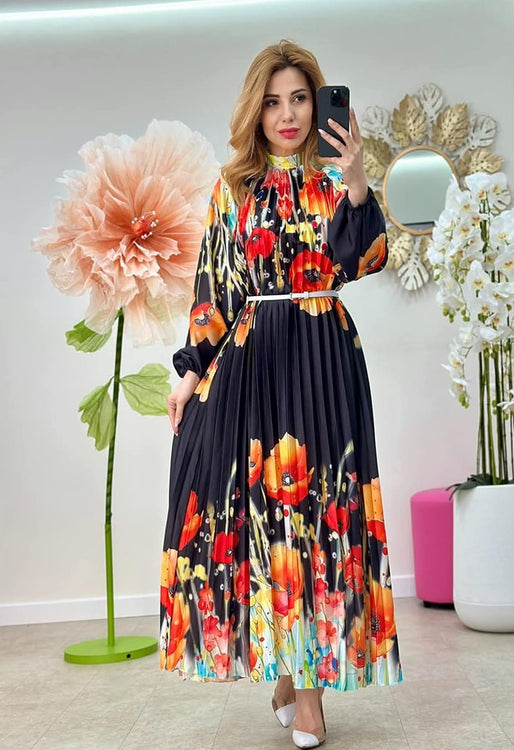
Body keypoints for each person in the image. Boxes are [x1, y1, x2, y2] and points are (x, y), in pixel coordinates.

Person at [160, 39, 402, 749]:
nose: (288, 114)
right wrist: (189, 373)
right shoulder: (233, 189)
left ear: (318, 104)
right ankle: (287, 665)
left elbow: (365, 257)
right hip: (254, 363)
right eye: (273, 101)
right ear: (255, 110)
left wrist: (357, 180)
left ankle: (311, 695)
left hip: (325, 359)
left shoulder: (334, 180)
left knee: (320, 519)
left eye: (300, 98)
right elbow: (213, 289)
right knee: (269, 526)